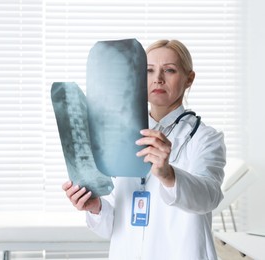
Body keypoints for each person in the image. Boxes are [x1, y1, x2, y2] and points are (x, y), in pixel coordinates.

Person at [63, 39, 226, 260]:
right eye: (149, 70)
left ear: (189, 79)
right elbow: (112, 226)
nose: (158, 78)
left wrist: (169, 175)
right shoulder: (120, 136)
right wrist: (96, 206)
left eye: (169, 70)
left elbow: (209, 196)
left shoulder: (204, 138)